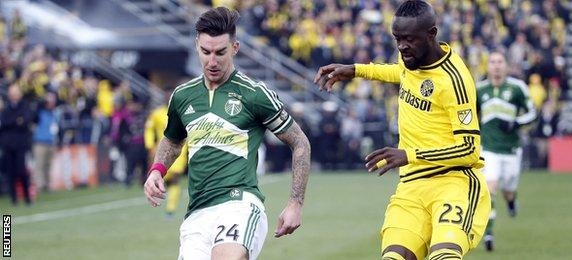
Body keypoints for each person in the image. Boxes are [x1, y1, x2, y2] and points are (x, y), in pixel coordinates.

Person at [314, 1, 490, 259]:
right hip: (412, 186)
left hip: (454, 182)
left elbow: (470, 150)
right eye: (397, 39)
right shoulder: (411, 58)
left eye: (409, 39)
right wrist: (356, 70)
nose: (401, 46)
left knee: (444, 256)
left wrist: (409, 155)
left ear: (431, 34)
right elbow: (401, 73)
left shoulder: (454, 81)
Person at [143, 7, 311, 260]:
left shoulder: (254, 94)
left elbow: (300, 143)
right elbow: (173, 140)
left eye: (220, 52)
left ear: (235, 48)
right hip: (197, 212)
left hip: (239, 204)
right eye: (205, 52)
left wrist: (295, 203)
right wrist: (157, 169)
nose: (212, 61)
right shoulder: (182, 96)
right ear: (196, 46)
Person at [476, 51, 536, 251]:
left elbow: (532, 114)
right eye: (492, 62)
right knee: (490, 188)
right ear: (488, 66)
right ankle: (489, 235)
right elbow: (468, 114)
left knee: (508, 190)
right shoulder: (479, 90)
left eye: (500, 62)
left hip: (511, 149)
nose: (496, 66)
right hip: (488, 148)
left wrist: (515, 123)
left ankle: (511, 202)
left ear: (506, 66)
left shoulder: (517, 88)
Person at [144, 92, 188, 218]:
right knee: (163, 179)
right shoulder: (156, 113)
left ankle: (170, 209)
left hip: (181, 150)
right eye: (166, 95)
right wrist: (149, 145)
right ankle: (168, 193)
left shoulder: (182, 110)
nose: (168, 97)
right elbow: (149, 129)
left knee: (175, 179)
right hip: (162, 151)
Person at [0, 84, 35, 205]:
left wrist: (14, 122)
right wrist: (16, 121)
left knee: (21, 171)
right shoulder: (6, 107)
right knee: (11, 172)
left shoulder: (24, 106)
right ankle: (13, 198)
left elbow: (25, 121)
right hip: (8, 145)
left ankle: (27, 197)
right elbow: (4, 122)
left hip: (20, 144)